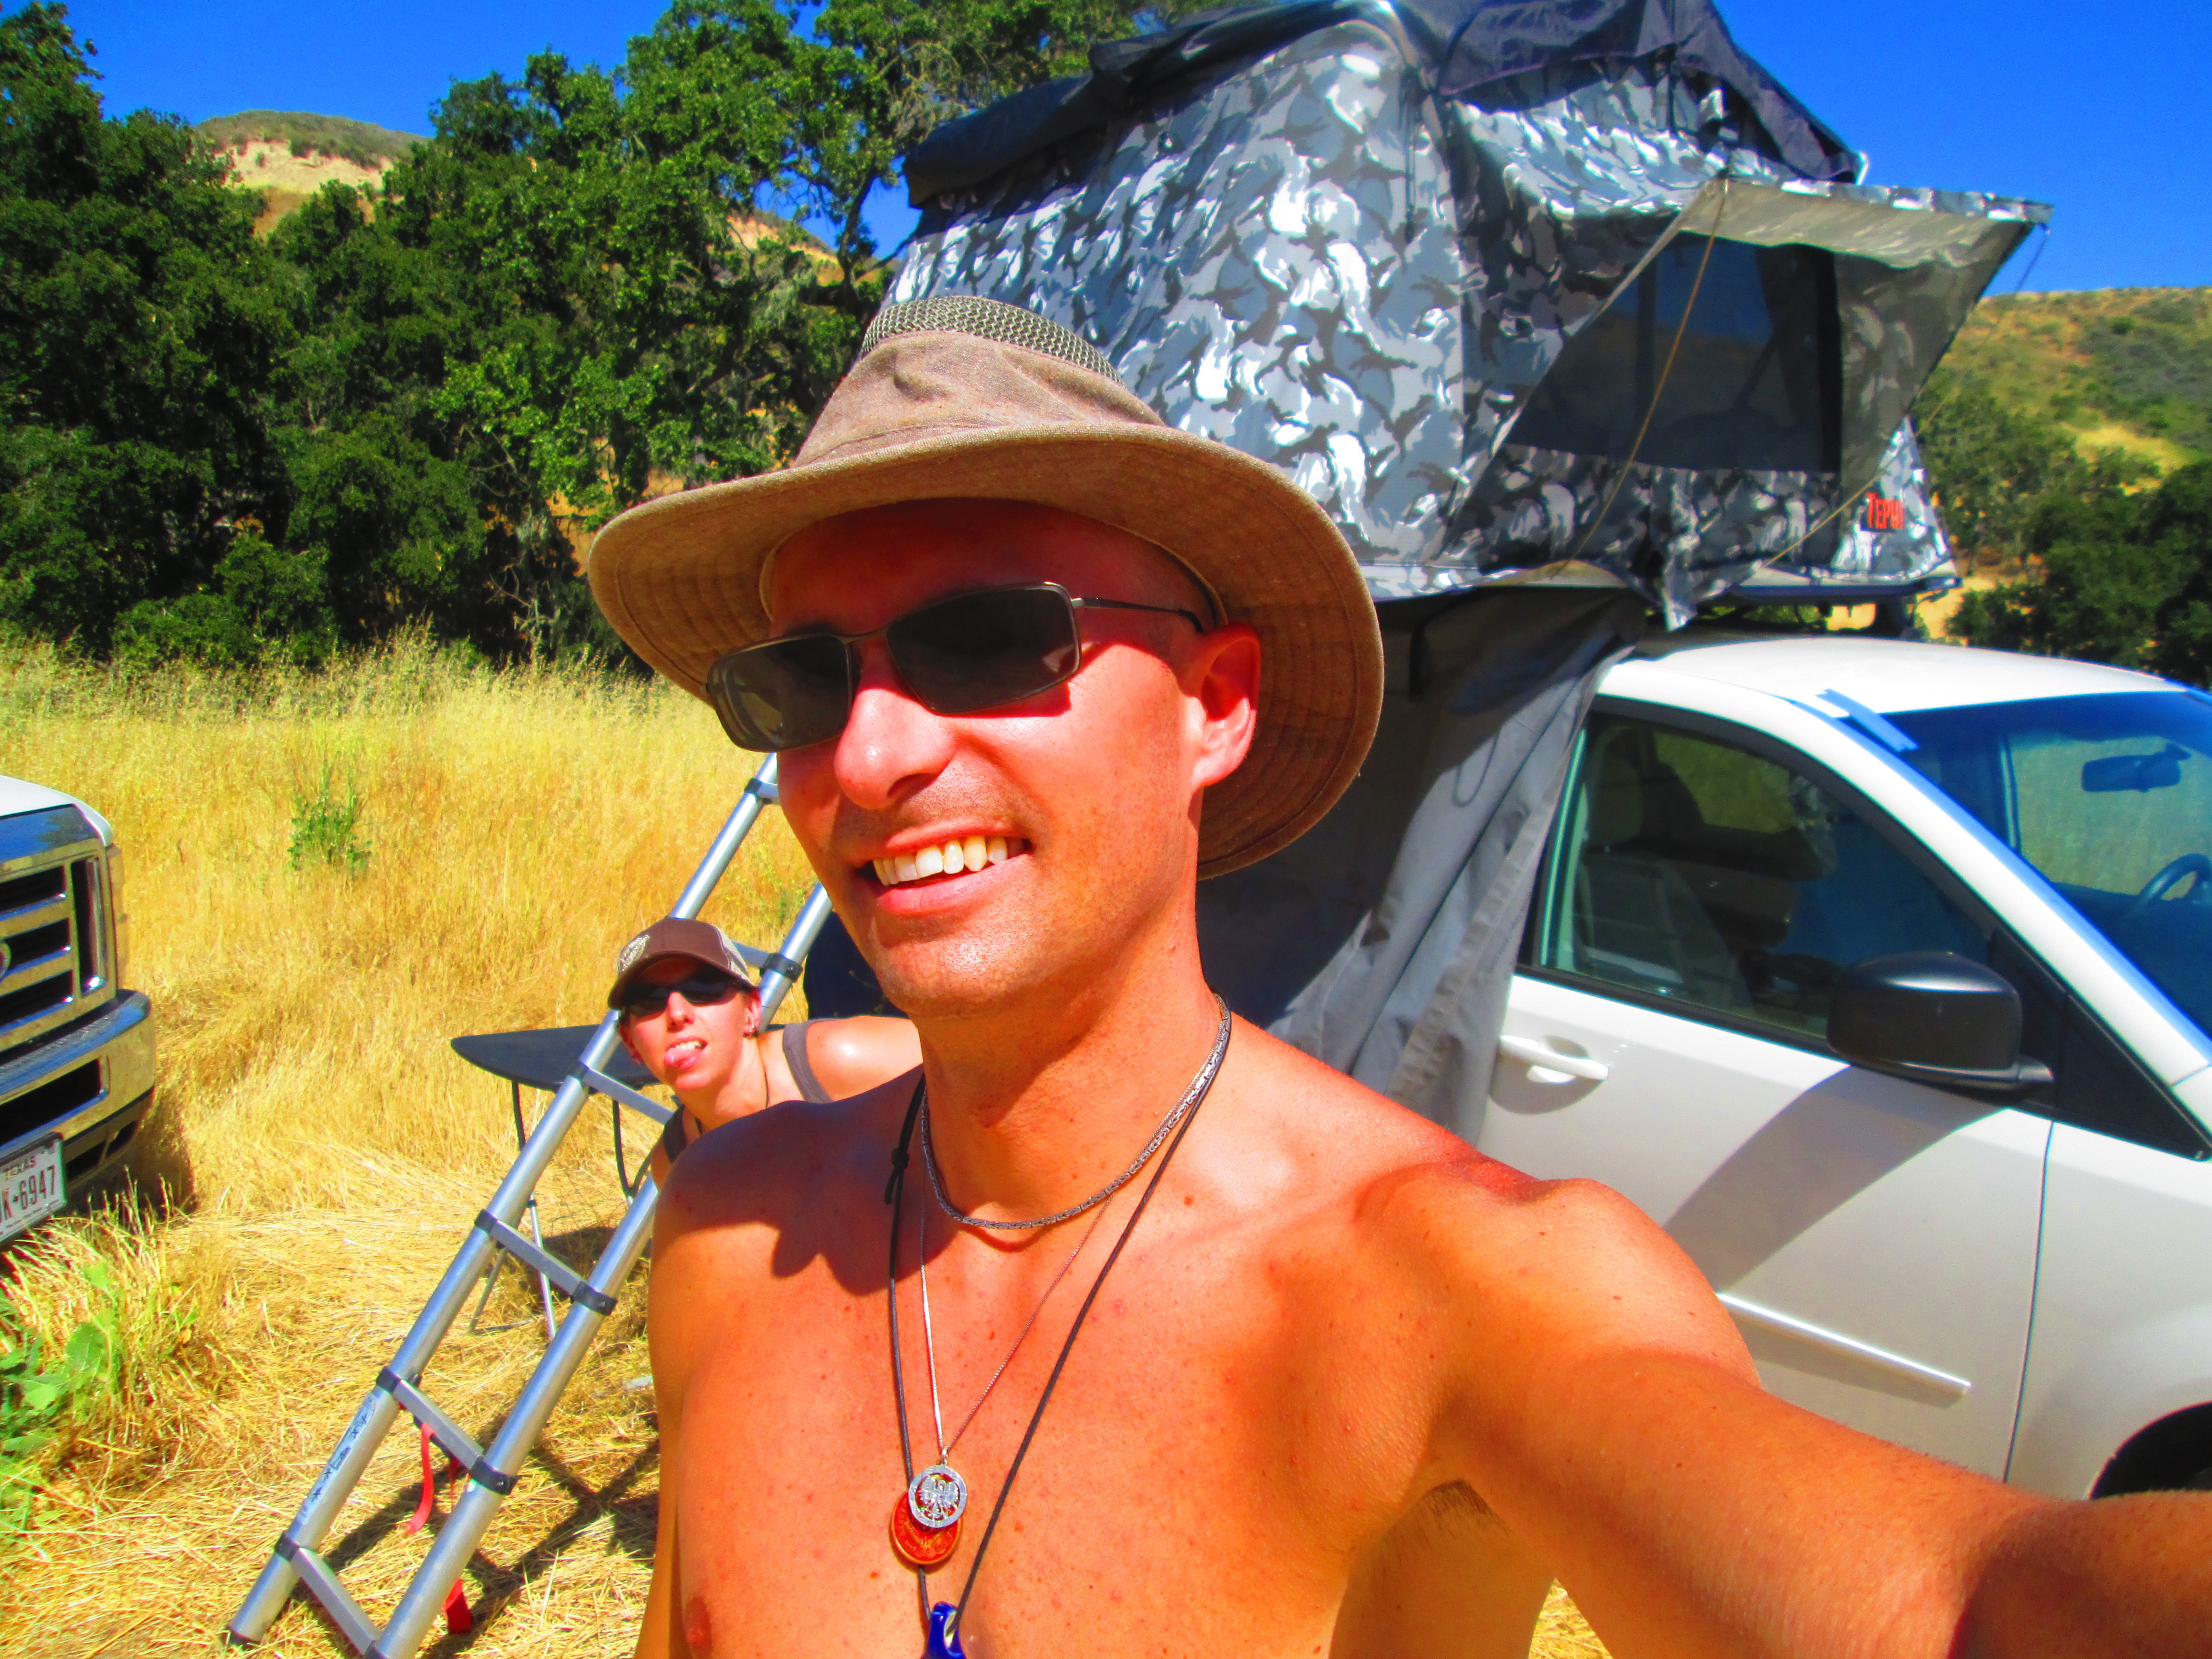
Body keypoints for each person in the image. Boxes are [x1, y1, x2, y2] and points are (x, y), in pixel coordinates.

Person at [587, 296, 2212, 1658]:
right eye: (801, 680)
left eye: (989, 640)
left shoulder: (1452, 1293)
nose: (869, 753)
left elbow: (1955, 1607)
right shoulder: (731, 1230)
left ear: (1216, 704)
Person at [607, 914, 919, 1186]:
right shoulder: (678, 1165)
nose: (677, 1013)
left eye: (702, 989)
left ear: (752, 1011)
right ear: (630, 1042)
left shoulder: (839, 1058)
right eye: (649, 1000)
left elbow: (951, 1066)